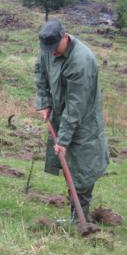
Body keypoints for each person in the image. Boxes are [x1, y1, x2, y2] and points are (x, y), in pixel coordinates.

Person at [35, 19, 109, 222]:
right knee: (68, 165)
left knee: (82, 168)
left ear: (65, 37)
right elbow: (40, 73)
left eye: (54, 48)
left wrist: (63, 140)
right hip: (61, 115)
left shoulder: (81, 61)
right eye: (47, 49)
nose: (51, 53)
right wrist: (44, 102)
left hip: (84, 121)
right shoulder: (48, 49)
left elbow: (75, 107)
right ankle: (77, 216)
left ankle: (80, 219)